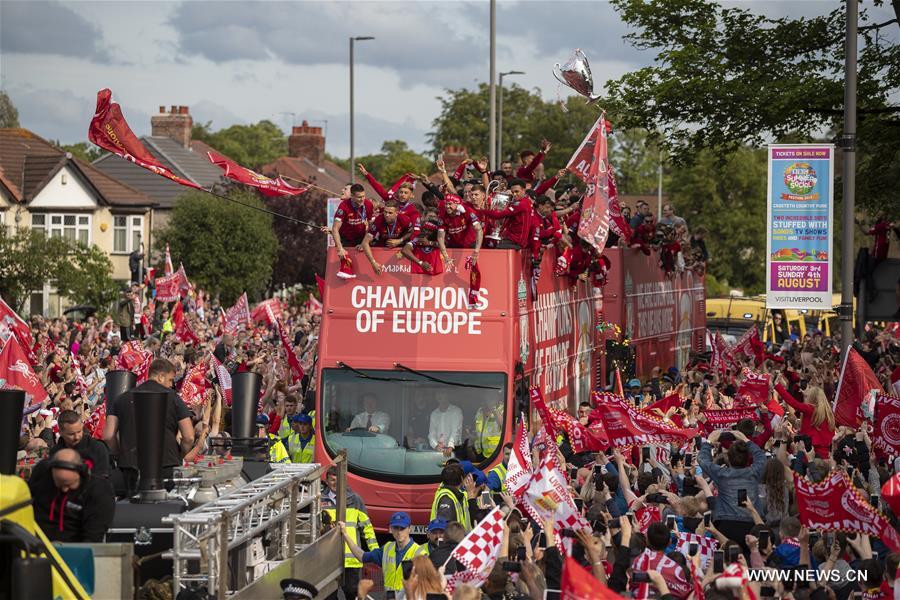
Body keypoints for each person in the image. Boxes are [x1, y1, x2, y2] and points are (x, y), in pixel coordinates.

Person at [103, 358, 196, 494]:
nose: (171, 385)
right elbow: (188, 436)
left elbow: (108, 436)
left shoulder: (121, 398)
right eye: (170, 380)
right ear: (160, 376)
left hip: (130, 467)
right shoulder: (174, 398)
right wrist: (180, 455)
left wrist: (119, 455)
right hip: (165, 465)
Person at [699, 428, 767, 551]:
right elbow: (761, 458)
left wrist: (709, 442)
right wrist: (747, 441)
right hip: (751, 525)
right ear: (747, 459)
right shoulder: (754, 472)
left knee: (727, 560)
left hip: (726, 525)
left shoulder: (721, 474)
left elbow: (703, 460)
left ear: (728, 459)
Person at [28, 448, 116, 543]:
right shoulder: (41, 477)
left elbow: (93, 537)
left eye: (69, 484)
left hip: (76, 549)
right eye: (59, 483)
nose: (64, 489)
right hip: (35, 545)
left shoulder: (98, 492)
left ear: (81, 474)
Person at [339, 511, 428, 598]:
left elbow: (426, 587)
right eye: (396, 528)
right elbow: (361, 556)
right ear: (391, 529)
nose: (399, 532)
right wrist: (346, 535)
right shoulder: (387, 549)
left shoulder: (420, 554)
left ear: (409, 529)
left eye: (402, 528)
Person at [321, 466, 378, 600]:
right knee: (329, 597)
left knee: (352, 594)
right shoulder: (320, 501)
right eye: (332, 480)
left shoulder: (355, 500)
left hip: (351, 560)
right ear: (327, 481)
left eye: (338, 480)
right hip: (329, 560)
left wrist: (375, 553)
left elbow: (367, 528)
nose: (335, 483)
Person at [774, 382, 835, 459]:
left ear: (812, 398)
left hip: (810, 452)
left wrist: (777, 386)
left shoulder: (810, 409)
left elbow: (793, 403)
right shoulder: (829, 412)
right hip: (826, 454)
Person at [50, 409, 110, 479]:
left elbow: (103, 479)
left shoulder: (97, 448)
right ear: (60, 432)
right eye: (71, 434)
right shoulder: (55, 452)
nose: (76, 437)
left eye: (79, 431)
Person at [362, 199, 415, 273]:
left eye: (390, 213)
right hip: (382, 247)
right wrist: (373, 262)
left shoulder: (404, 219)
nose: (386, 215)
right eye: (385, 212)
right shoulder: (379, 220)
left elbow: (411, 232)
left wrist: (400, 240)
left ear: (396, 213)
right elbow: (365, 242)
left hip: (400, 248)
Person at [482, 178, 536, 250]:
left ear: (524, 190)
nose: (514, 194)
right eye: (512, 192)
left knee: (496, 253)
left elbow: (498, 215)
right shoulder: (526, 202)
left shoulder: (521, 204)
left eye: (517, 191)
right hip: (516, 240)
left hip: (515, 241)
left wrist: (482, 211)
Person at [331, 183, 375, 261]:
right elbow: (335, 229)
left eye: (363, 196)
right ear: (352, 196)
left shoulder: (368, 204)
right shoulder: (343, 206)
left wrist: (364, 242)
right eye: (359, 197)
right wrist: (339, 248)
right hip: (345, 239)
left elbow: (371, 226)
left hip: (360, 238)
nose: (362, 199)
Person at [430, 463, 471, 530]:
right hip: (452, 539)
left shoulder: (454, 494)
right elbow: (444, 529)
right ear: (461, 478)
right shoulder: (447, 498)